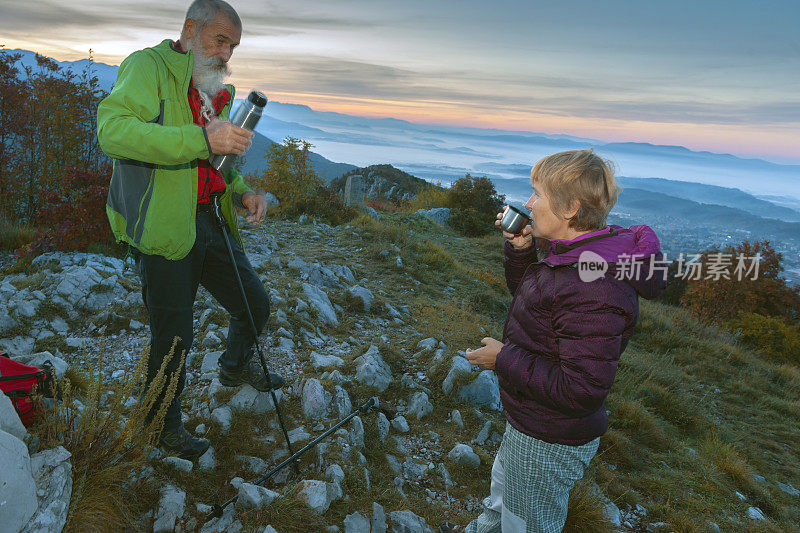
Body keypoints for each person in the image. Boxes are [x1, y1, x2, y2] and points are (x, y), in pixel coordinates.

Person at [440, 149, 666, 533]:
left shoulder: (597, 287)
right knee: (502, 506)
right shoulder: (580, 255)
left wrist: (503, 359)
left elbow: (581, 388)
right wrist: (522, 249)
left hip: (548, 438)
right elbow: (537, 302)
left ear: (570, 208)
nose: (528, 204)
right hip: (531, 417)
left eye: (537, 194)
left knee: (526, 525)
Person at [97, 0, 284, 460]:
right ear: (189, 29)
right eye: (220, 40)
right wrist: (200, 139)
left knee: (255, 303)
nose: (226, 54)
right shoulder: (148, 67)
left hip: (208, 217)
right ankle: (160, 426)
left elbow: (216, 160)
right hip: (162, 224)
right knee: (174, 335)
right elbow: (112, 130)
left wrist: (241, 191)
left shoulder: (215, 89)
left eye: (233, 46)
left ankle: (234, 366)